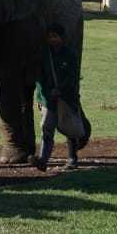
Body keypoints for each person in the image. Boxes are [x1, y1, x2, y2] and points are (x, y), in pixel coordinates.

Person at [33, 23, 82, 171]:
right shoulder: (44, 55)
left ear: (62, 37)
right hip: (48, 99)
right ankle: (43, 160)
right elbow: (39, 78)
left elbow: (73, 76)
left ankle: (72, 159)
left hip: (66, 98)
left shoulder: (70, 54)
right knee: (46, 129)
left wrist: (60, 90)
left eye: (55, 36)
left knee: (70, 127)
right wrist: (43, 97)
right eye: (50, 36)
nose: (52, 39)